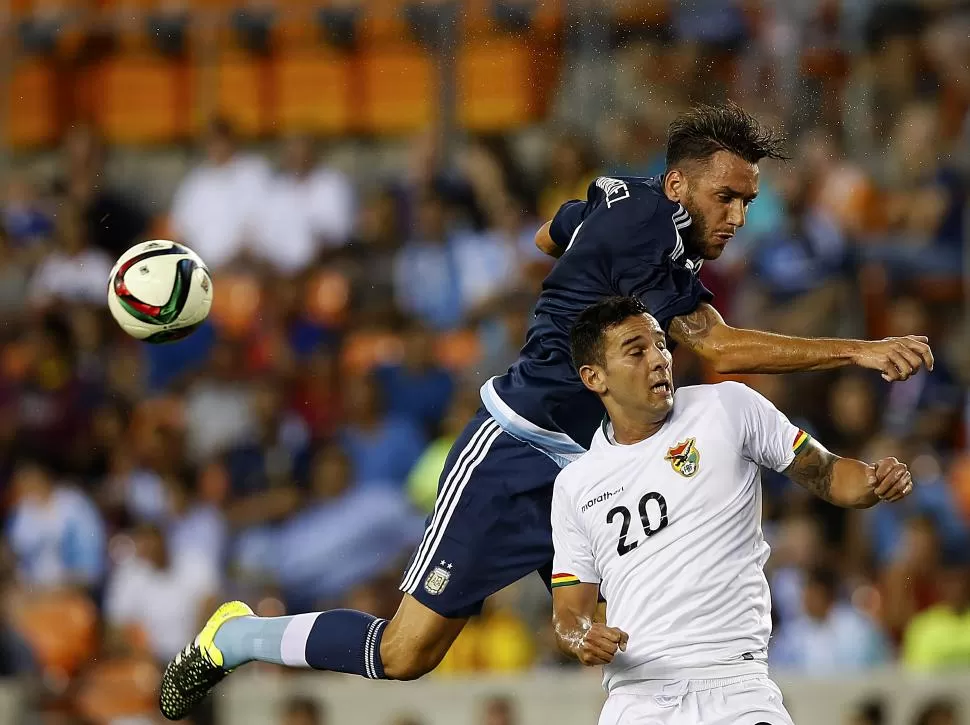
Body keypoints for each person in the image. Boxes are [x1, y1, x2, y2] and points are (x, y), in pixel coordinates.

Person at [158, 104, 932, 721]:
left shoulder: (634, 209)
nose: (736, 215)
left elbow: (550, 228)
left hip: (598, 468)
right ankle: (239, 635)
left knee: (645, 637)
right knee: (405, 653)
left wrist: (578, 261)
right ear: (678, 187)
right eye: (725, 196)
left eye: (748, 201)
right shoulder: (643, 229)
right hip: (516, 449)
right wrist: (859, 350)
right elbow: (718, 345)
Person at [549, 297, 914, 725]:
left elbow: (829, 473)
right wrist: (581, 637)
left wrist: (873, 481)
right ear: (594, 377)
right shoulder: (576, 484)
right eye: (637, 351)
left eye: (661, 345)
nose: (659, 359)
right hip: (638, 697)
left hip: (737, 684)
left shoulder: (727, 408)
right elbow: (569, 613)